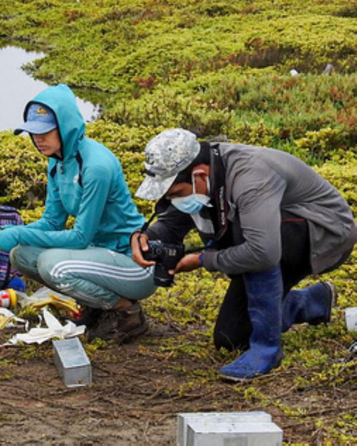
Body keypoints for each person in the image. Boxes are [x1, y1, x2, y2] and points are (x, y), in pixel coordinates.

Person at [131, 128, 357, 381]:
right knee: (231, 338)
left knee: (250, 237)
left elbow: (263, 252)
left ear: (199, 174)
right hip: (270, 237)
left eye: (175, 193)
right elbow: (172, 223)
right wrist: (146, 238)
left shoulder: (250, 178)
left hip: (325, 235)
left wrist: (204, 260)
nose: (174, 200)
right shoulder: (201, 174)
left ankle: (267, 349)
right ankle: (310, 302)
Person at [0, 84, 156, 342]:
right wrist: (7, 234)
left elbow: (80, 238)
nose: (38, 139)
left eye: (45, 132)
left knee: (54, 266)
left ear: (66, 126)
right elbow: (52, 221)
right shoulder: (57, 161)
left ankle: (127, 312)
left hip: (134, 263)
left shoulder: (96, 166)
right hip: (99, 256)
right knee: (21, 255)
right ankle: (96, 306)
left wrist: (15, 232)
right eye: (33, 133)